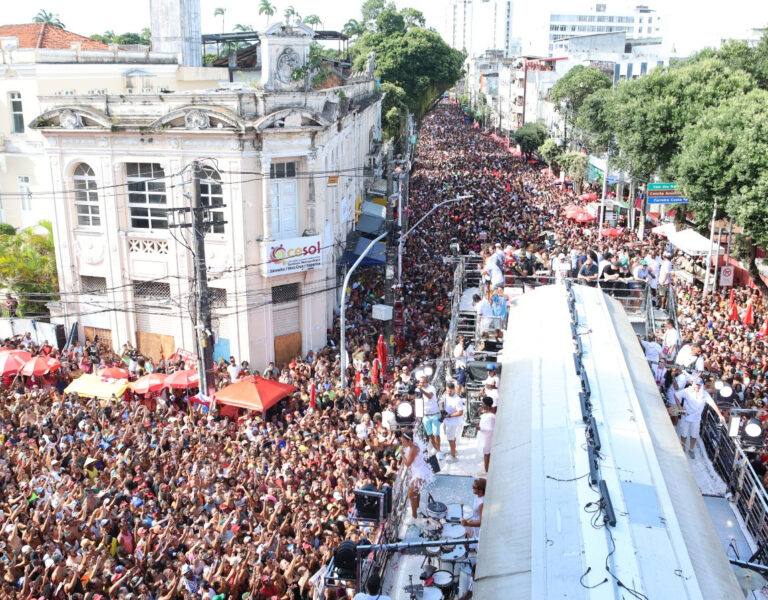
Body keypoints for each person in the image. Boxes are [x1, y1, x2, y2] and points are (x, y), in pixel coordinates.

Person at [401, 432, 435, 522]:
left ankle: (414, 517)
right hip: (419, 470)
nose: (403, 444)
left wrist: (402, 454)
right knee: (417, 491)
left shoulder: (413, 449)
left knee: (411, 494)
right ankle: (417, 508)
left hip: (420, 473)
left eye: (404, 442)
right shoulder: (413, 445)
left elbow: (407, 464)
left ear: (410, 441)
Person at [675, 377, 710, 458]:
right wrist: (679, 406)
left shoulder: (704, 394)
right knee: (684, 433)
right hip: (686, 416)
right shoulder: (687, 391)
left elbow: (712, 403)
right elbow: (676, 395)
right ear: (694, 384)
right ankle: (683, 447)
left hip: (696, 419)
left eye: (699, 385)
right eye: (697, 385)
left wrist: (720, 414)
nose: (698, 386)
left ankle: (691, 449)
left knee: (694, 435)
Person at [442, 382, 465, 462]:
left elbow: (460, 412)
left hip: (453, 422)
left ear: (453, 390)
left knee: (450, 439)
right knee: (451, 438)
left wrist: (449, 415)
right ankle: (453, 450)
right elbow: (443, 404)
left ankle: (453, 456)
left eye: (450, 391)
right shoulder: (445, 395)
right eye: (447, 391)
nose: (448, 393)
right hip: (447, 421)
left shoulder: (457, 399)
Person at [477, 396, 495, 473]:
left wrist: (480, 428)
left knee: (487, 454)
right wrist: (480, 412)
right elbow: (483, 416)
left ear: (487, 405)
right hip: (484, 436)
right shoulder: (487, 413)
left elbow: (491, 429)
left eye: (483, 404)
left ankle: (487, 471)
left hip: (487, 438)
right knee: (486, 454)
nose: (482, 405)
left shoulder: (491, 416)